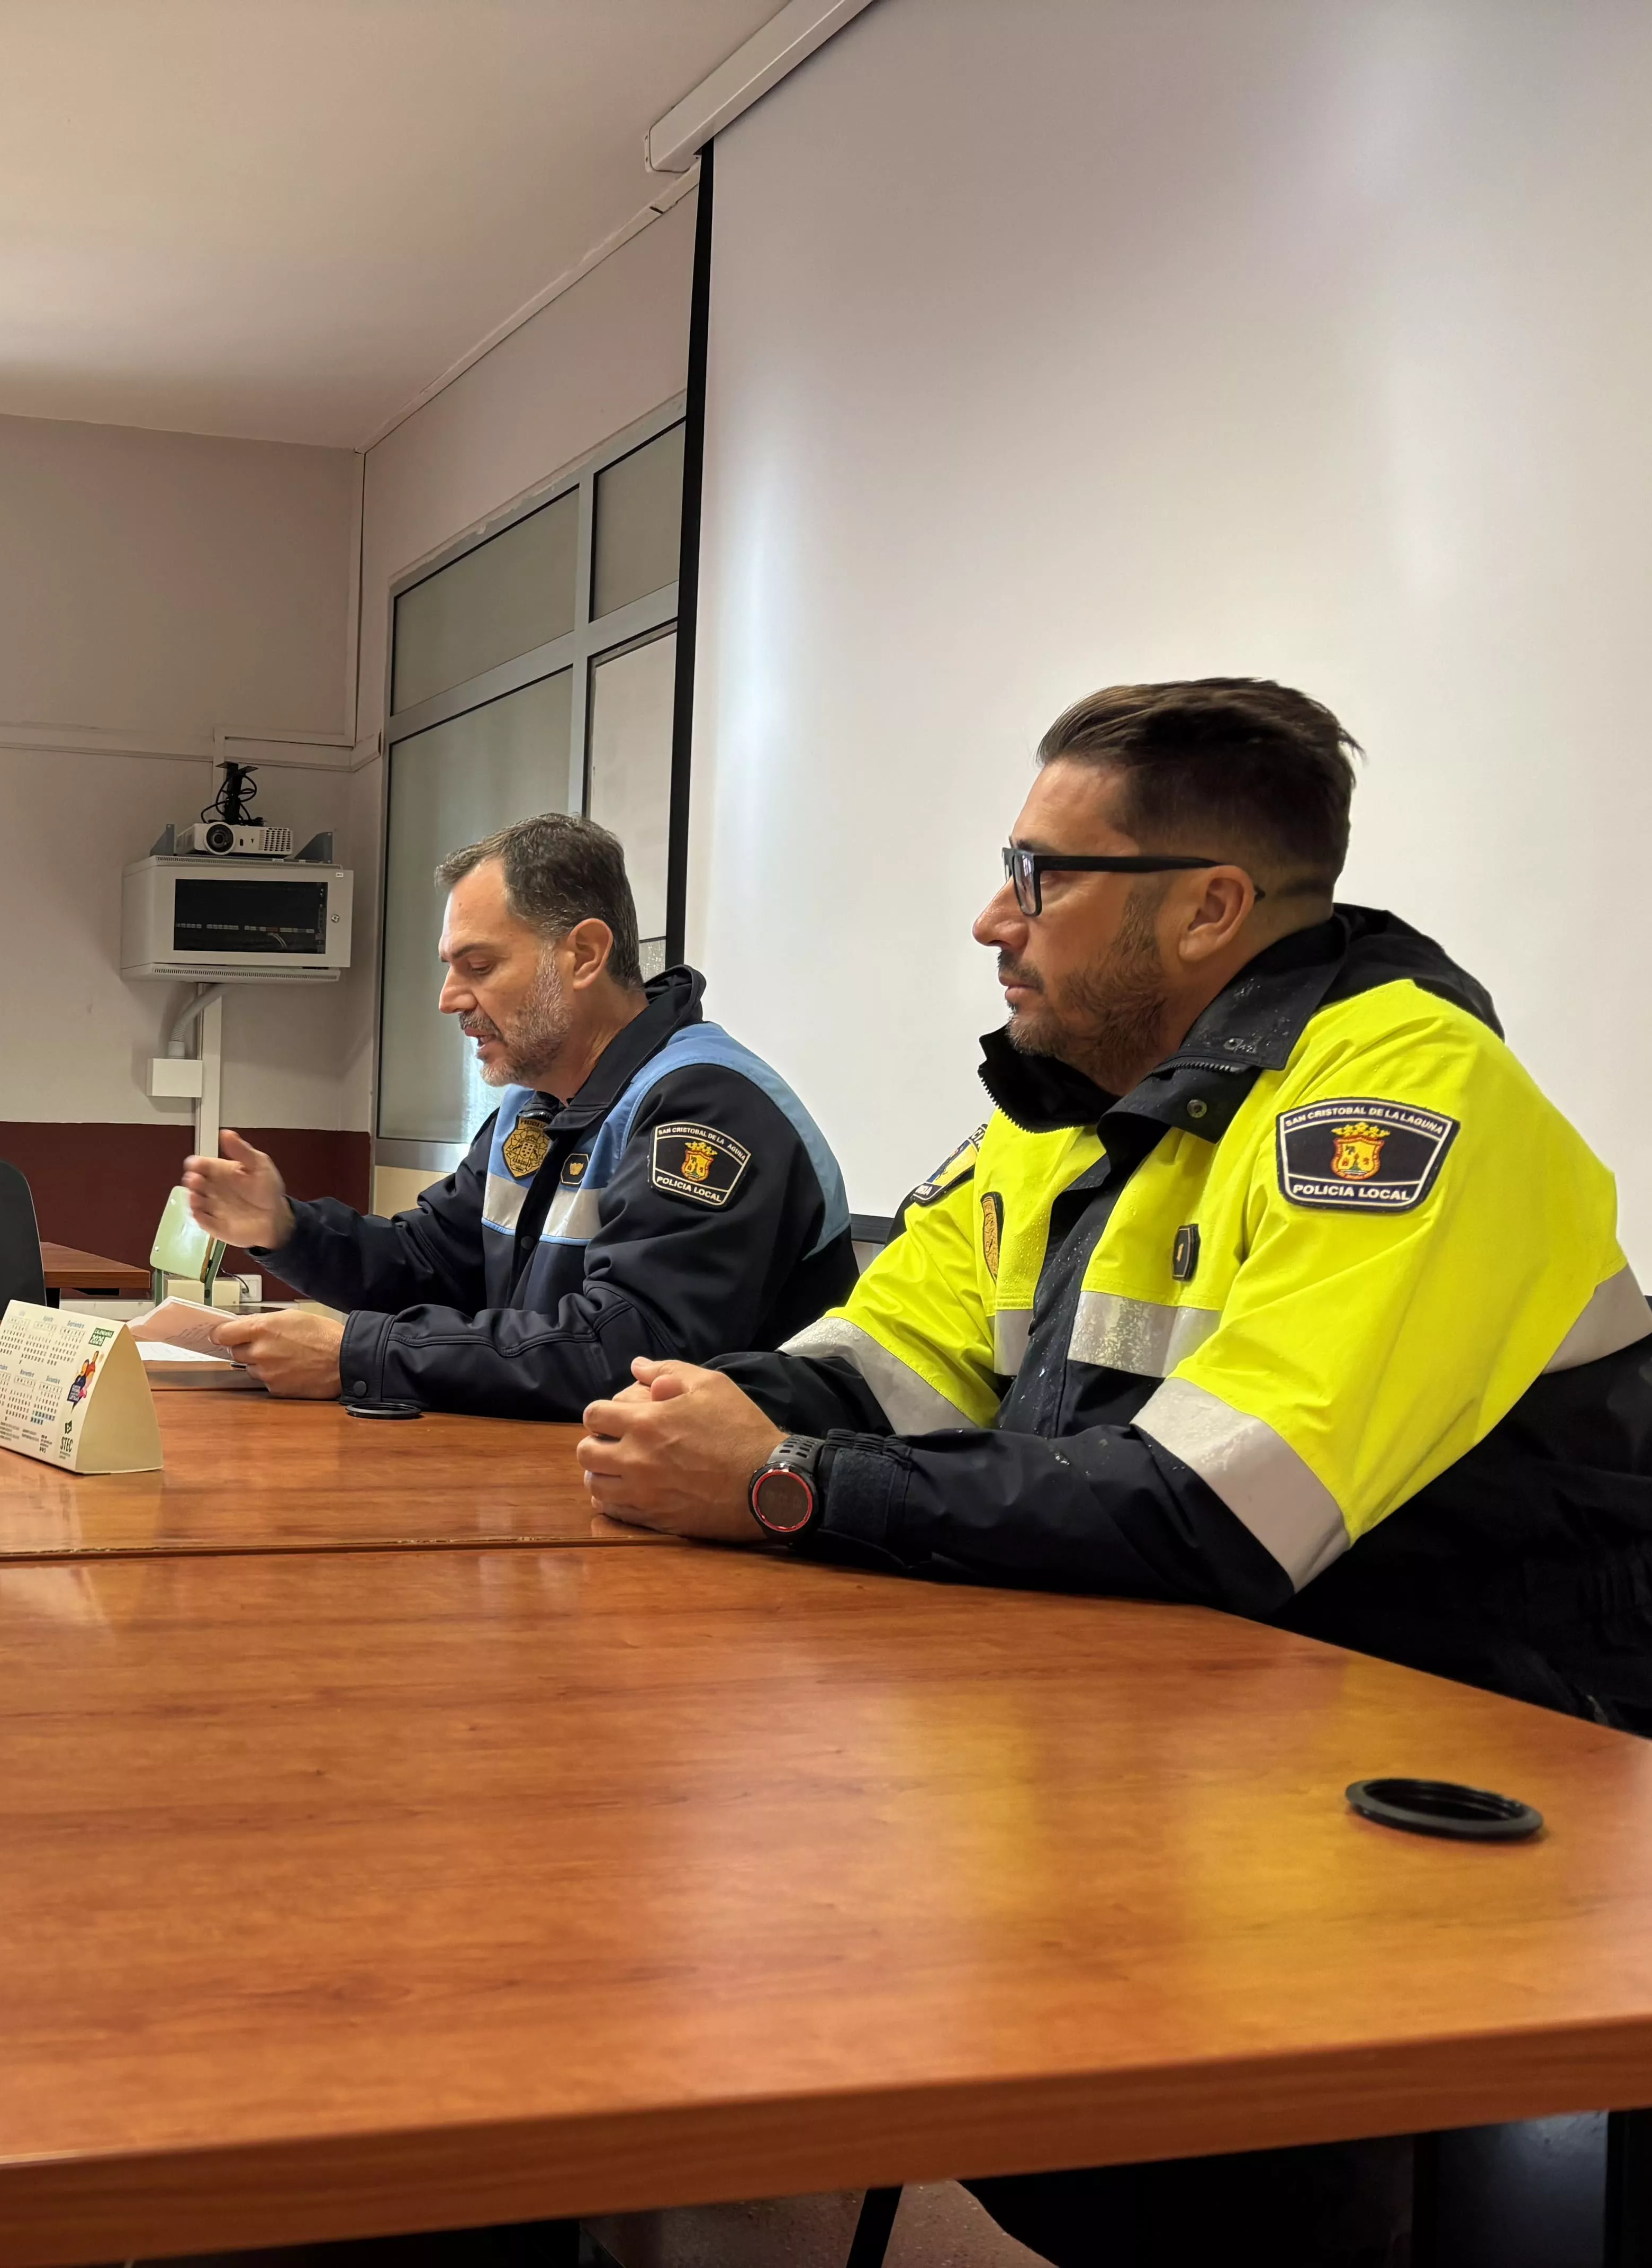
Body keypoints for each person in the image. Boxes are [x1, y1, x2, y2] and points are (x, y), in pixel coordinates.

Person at [575, 677, 1652, 2268]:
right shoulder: (1073, 1111)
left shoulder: (1392, 1103)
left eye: (1036, 878)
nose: (987, 923)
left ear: (1211, 906)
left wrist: (779, 1482)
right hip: (1182, 1706)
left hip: (1456, 1781)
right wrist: (677, 1415)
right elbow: (876, 1367)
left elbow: (1207, 1516)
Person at [183, 812, 854, 1419]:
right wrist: (289, 1229)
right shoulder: (534, 1108)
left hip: (728, 1524)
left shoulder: (707, 1107)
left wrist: (361, 1354)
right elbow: (430, 1262)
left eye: (478, 965)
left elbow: (630, 1350)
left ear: (585, 955)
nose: (450, 999)